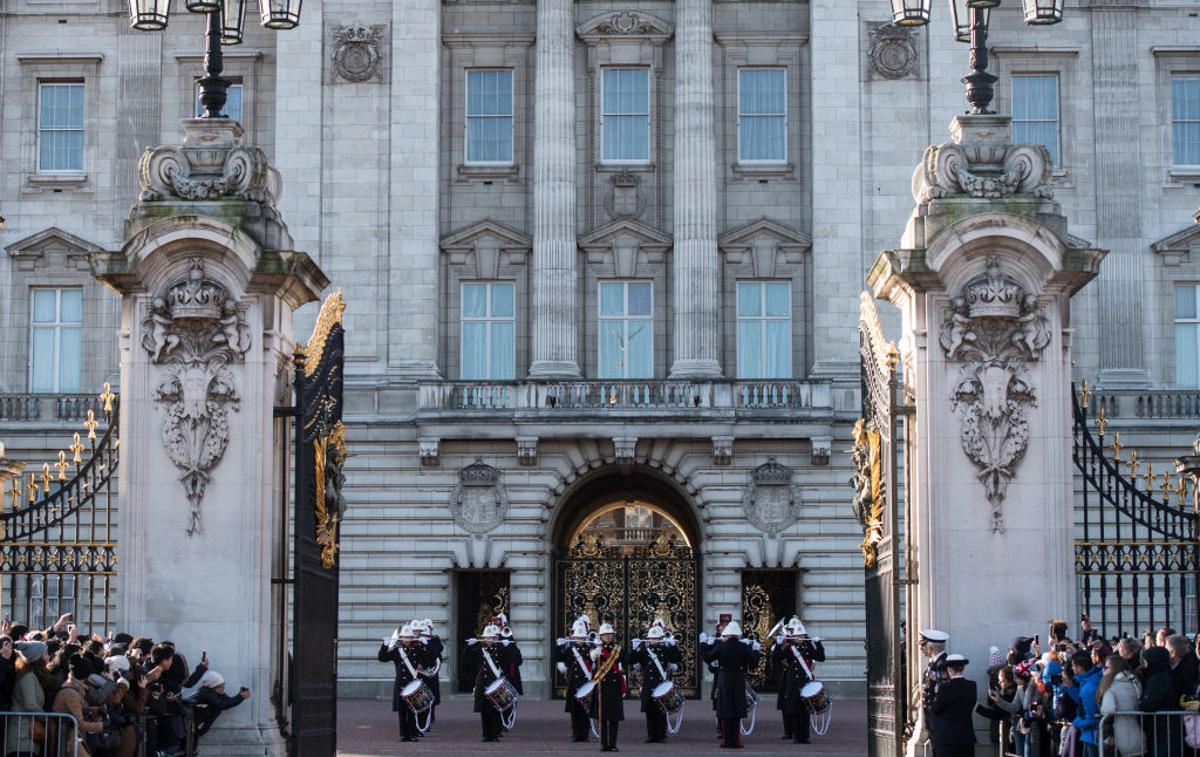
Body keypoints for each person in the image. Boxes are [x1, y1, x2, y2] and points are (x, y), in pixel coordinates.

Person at [703, 619, 760, 750]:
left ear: (727, 634)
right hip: (738, 680)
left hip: (723, 681)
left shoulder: (721, 646)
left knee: (725, 711)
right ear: (738, 635)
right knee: (736, 712)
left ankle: (726, 741)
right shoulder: (744, 647)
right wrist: (756, 651)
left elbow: (707, 657)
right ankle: (736, 741)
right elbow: (753, 664)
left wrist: (704, 645)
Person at [776, 618, 825, 745]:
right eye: (797, 635)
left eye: (801, 635)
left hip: (805, 681)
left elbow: (821, 657)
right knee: (795, 710)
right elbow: (777, 658)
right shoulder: (790, 648)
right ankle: (797, 736)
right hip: (793, 683)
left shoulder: (808, 646)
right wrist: (777, 644)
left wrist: (818, 644)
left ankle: (805, 736)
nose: (799, 637)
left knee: (805, 711)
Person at [631, 620, 682, 744]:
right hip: (648, 684)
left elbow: (678, 659)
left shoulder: (665, 650)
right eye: (651, 638)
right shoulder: (644, 650)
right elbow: (631, 660)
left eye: (656, 638)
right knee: (650, 712)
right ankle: (651, 735)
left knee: (661, 711)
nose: (653, 640)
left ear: (660, 638)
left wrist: (673, 646)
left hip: (661, 684)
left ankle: (661, 735)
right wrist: (635, 648)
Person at [465, 624, 513, 743]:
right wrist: (468, 647)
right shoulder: (480, 650)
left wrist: (507, 646)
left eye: (491, 637)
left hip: (495, 683)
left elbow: (513, 659)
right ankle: (486, 734)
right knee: (484, 711)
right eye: (487, 637)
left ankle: (495, 734)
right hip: (483, 683)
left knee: (495, 710)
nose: (489, 640)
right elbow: (466, 659)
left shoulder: (500, 650)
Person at [378, 624, 425, 742]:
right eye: (405, 637)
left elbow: (428, 659)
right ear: (402, 638)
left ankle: (413, 734)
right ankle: (403, 734)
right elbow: (382, 658)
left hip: (412, 684)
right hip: (401, 684)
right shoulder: (396, 651)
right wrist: (384, 645)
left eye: (409, 637)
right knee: (402, 711)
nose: (408, 639)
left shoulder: (417, 649)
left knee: (412, 710)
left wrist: (426, 645)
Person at [4, 641, 48, 757]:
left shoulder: (32, 676)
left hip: (27, 739)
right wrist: (47, 719)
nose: (48, 657)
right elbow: (31, 705)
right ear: (38, 659)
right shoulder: (28, 677)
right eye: (45, 654)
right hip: (21, 739)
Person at [1097, 654, 1145, 757]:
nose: (1103, 670)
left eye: (1106, 667)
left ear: (1115, 668)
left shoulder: (1111, 686)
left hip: (1119, 739)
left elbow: (1108, 710)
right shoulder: (1134, 681)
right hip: (1138, 735)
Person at [912, 628, 949, 756]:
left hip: (939, 720)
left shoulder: (943, 664)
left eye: (923, 645)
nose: (921, 649)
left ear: (931, 646)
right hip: (933, 719)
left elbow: (942, 694)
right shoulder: (934, 663)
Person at [931, 654, 977, 757]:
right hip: (966, 737)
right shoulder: (972, 685)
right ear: (963, 668)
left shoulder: (944, 688)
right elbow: (971, 704)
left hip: (946, 738)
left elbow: (936, 709)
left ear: (949, 669)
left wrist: (936, 694)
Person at [187, 669, 251, 742]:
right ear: (214, 686)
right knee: (189, 747)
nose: (224, 687)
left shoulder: (217, 693)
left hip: (197, 729)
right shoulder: (207, 693)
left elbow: (228, 702)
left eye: (224, 684)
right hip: (193, 729)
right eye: (222, 685)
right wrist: (240, 696)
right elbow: (221, 705)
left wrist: (240, 695)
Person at [589, 623, 625, 752]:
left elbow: (624, 665)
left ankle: (613, 744)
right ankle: (604, 744)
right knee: (602, 718)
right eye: (605, 635)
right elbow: (591, 668)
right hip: (602, 687)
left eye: (610, 634)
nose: (608, 636)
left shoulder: (618, 649)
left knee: (614, 718)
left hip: (615, 687)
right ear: (601, 636)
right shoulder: (596, 649)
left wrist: (623, 680)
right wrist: (593, 656)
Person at [556, 619, 593, 743]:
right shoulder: (569, 650)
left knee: (585, 711)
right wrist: (559, 646)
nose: (580, 640)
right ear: (574, 637)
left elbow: (594, 664)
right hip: (574, 683)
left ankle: (585, 734)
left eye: (582, 638)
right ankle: (576, 734)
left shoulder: (589, 649)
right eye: (577, 637)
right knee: (575, 711)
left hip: (585, 684)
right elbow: (559, 658)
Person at [1138, 647, 1177, 757]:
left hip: (1162, 728)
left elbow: (1149, 704)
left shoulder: (1158, 678)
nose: (1144, 665)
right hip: (1164, 727)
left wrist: (1141, 706)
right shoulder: (1167, 674)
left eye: (1146, 662)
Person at [1069, 650, 1103, 756]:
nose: (1072, 668)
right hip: (1090, 735)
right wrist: (1070, 688)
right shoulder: (1090, 680)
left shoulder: (1089, 687)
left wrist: (1075, 723)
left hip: (1093, 736)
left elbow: (1092, 717)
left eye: (1073, 666)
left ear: (1080, 668)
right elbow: (1082, 702)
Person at [414, 620, 444, 727]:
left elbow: (437, 653)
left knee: (432, 696)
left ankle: (430, 717)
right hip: (420, 673)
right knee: (420, 697)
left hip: (430, 672)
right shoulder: (417, 642)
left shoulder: (434, 640)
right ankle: (421, 720)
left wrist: (428, 644)